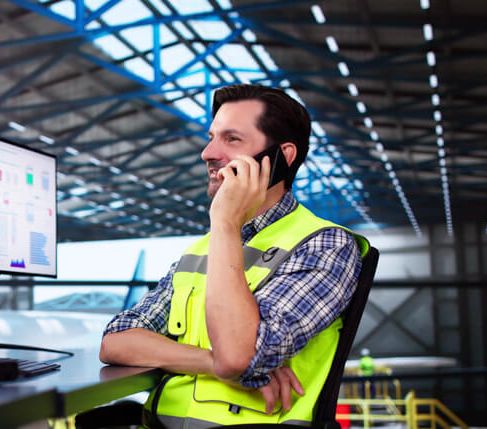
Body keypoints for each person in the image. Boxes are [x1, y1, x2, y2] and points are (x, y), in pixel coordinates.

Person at [100, 84, 368, 427]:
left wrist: (225, 221)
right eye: (212, 137)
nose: (208, 153)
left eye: (232, 139)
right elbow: (117, 339)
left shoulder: (325, 245)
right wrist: (210, 362)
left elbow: (241, 356)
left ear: (281, 157)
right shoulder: (200, 251)